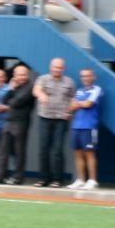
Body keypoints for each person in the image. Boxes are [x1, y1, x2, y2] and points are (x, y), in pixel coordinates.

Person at [32, 58, 75, 188]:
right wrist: (41, 95)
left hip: (61, 119)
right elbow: (36, 90)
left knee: (57, 150)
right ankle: (43, 179)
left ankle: (57, 180)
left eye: (60, 68)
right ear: (51, 67)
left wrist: (70, 111)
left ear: (64, 69)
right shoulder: (43, 79)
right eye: (55, 67)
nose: (57, 70)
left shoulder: (69, 82)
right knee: (43, 149)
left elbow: (72, 98)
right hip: (45, 117)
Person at [0, 65, 35, 185]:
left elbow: (17, 102)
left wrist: (9, 103)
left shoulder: (30, 87)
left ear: (27, 75)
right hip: (9, 120)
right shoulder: (14, 87)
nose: (22, 77)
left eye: (24, 74)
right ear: (14, 75)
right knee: (3, 150)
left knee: (19, 151)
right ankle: (0, 175)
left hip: (21, 122)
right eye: (19, 75)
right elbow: (4, 100)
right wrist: (11, 89)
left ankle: (18, 177)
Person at [67, 68, 103, 190]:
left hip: (89, 127)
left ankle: (92, 180)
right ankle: (81, 180)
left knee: (89, 154)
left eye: (88, 76)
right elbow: (70, 108)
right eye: (83, 76)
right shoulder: (79, 91)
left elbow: (89, 104)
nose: (85, 78)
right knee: (78, 154)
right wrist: (78, 104)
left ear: (93, 77)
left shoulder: (97, 89)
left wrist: (78, 104)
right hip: (76, 126)